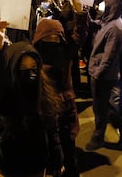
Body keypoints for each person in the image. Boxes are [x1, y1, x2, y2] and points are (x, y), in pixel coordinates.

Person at [0, 18, 63, 177]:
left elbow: (52, 130)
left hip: (37, 161)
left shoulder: (44, 92)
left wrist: (57, 159)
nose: (29, 72)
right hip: (11, 159)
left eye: (33, 67)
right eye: (23, 67)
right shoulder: (6, 95)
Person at [85, 0, 122, 151]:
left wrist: (97, 74)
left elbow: (109, 56)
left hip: (104, 75)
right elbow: (95, 23)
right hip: (100, 72)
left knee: (101, 108)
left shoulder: (116, 27)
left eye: (105, 3)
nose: (102, 6)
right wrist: (82, 10)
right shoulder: (110, 20)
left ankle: (99, 137)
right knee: (103, 106)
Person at [32, 18, 80, 177]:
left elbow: (79, 35)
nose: (52, 41)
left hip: (65, 108)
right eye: (47, 37)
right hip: (44, 107)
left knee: (68, 144)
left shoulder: (66, 52)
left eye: (56, 38)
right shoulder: (33, 56)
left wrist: (80, 14)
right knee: (48, 145)